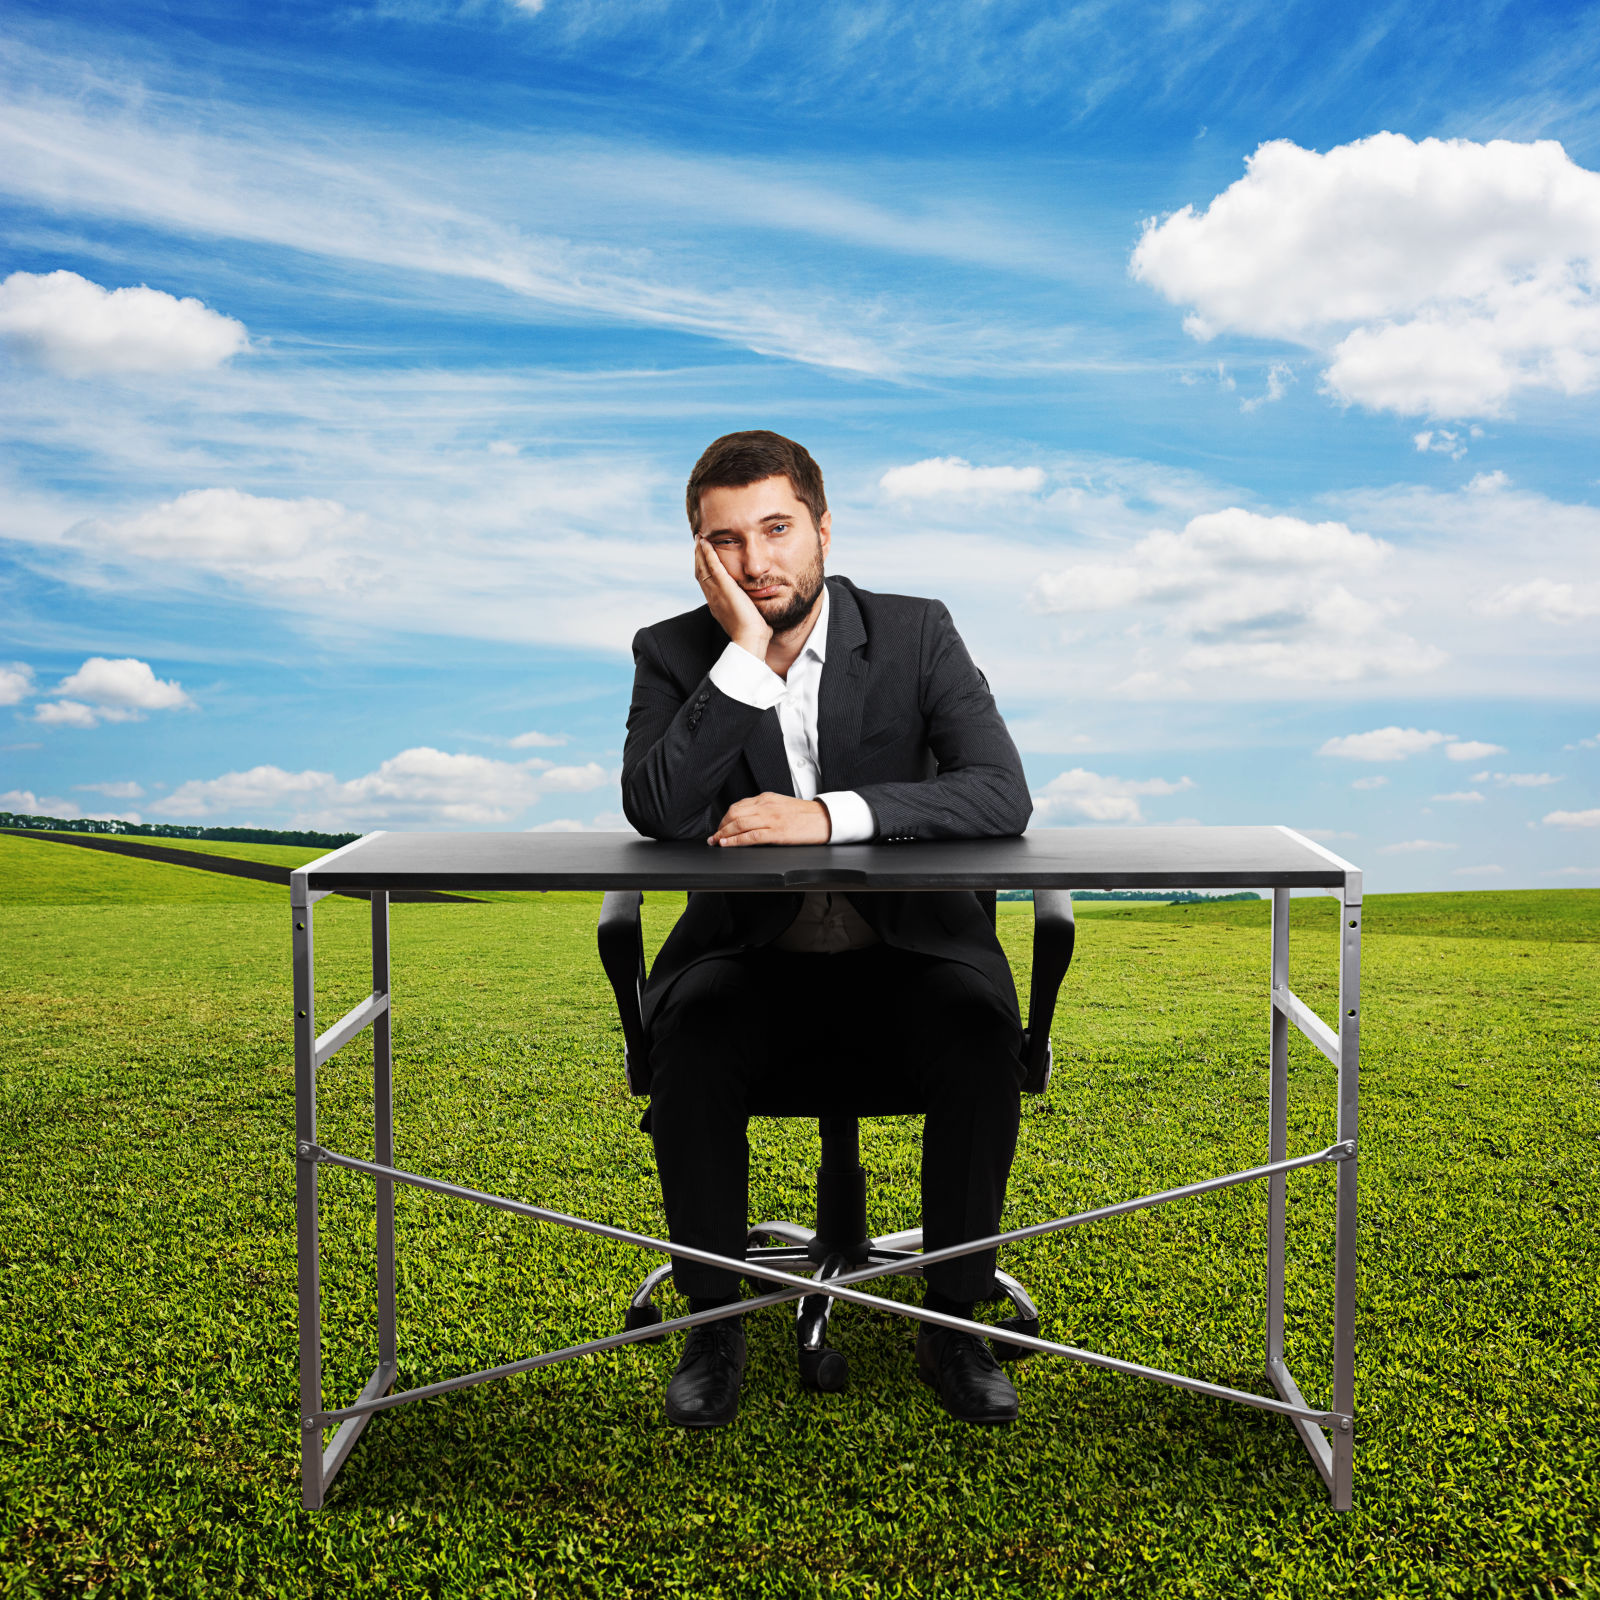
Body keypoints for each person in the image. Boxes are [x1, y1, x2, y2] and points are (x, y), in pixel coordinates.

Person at [621, 429, 1033, 1429]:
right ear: (699, 552)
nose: (755, 560)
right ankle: (713, 1325)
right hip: (751, 959)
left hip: (908, 954)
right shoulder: (673, 651)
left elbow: (998, 791)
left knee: (978, 1030)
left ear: (822, 528)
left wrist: (828, 815)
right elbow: (660, 808)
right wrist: (742, 657)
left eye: (776, 530)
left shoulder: (915, 632)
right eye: (726, 540)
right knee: (694, 1039)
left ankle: (952, 1321)